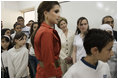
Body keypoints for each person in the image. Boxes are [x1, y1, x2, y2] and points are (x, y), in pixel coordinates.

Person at [31, 1, 62, 78]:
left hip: (45, 71)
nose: (59, 15)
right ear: (46, 13)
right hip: (49, 73)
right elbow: (48, 60)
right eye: (56, 11)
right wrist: (52, 76)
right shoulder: (46, 32)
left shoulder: (43, 29)